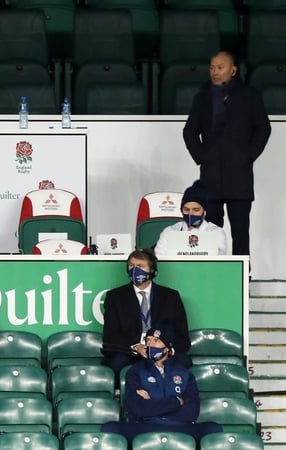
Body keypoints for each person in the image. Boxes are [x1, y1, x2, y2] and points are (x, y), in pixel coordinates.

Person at [183, 50, 271, 257]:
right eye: (212, 68)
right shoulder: (202, 97)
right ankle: (212, 276)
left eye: (220, 67)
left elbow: (263, 128)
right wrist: (202, 157)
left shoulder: (249, 96)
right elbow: (190, 131)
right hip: (210, 177)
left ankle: (243, 280)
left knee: (241, 233)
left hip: (239, 176)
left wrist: (248, 155)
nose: (215, 72)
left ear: (233, 70)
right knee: (210, 232)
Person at [101, 324, 222, 443]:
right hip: (146, 426)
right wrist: (176, 401)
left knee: (213, 428)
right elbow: (137, 409)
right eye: (148, 341)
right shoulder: (135, 371)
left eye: (156, 341)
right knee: (110, 428)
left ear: (167, 347)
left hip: (180, 427)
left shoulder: (185, 374)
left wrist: (151, 401)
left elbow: (191, 412)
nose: (150, 345)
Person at [101, 249, 191, 379]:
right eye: (132, 266)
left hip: (163, 350)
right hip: (130, 352)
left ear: (152, 271)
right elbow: (111, 336)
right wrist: (136, 347)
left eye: (141, 266)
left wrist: (165, 350)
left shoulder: (171, 297)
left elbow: (182, 336)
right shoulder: (115, 297)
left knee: (184, 362)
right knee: (116, 363)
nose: (135, 270)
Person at [154, 180, 227, 257]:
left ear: (204, 212)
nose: (190, 213)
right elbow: (160, 258)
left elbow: (219, 260)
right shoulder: (170, 231)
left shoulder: (216, 232)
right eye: (186, 209)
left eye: (196, 210)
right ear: (181, 211)